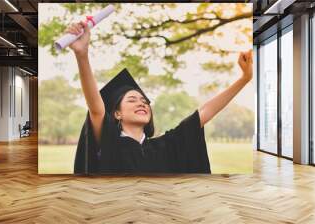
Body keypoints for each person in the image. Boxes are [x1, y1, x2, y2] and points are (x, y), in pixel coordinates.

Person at [67, 21, 253, 174]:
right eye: (132, 99)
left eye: (144, 101)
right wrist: (82, 55)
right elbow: (96, 109)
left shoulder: (165, 145)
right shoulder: (110, 144)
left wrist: (244, 79)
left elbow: (204, 112)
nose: (141, 103)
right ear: (116, 113)